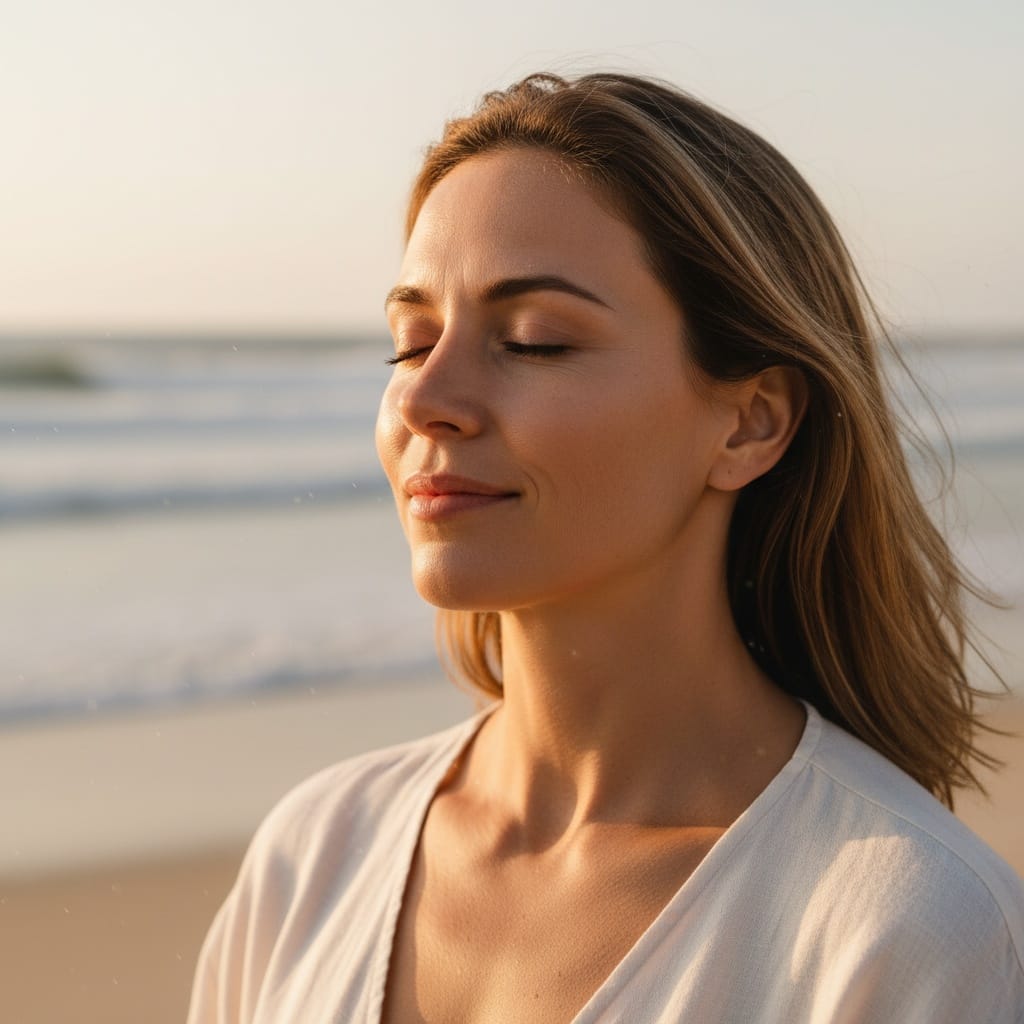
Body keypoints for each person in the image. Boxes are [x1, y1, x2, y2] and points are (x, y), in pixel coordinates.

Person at [187, 72, 1024, 1023]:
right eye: (412, 341)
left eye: (535, 340)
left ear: (750, 423)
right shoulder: (317, 854)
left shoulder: (904, 935)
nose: (424, 398)